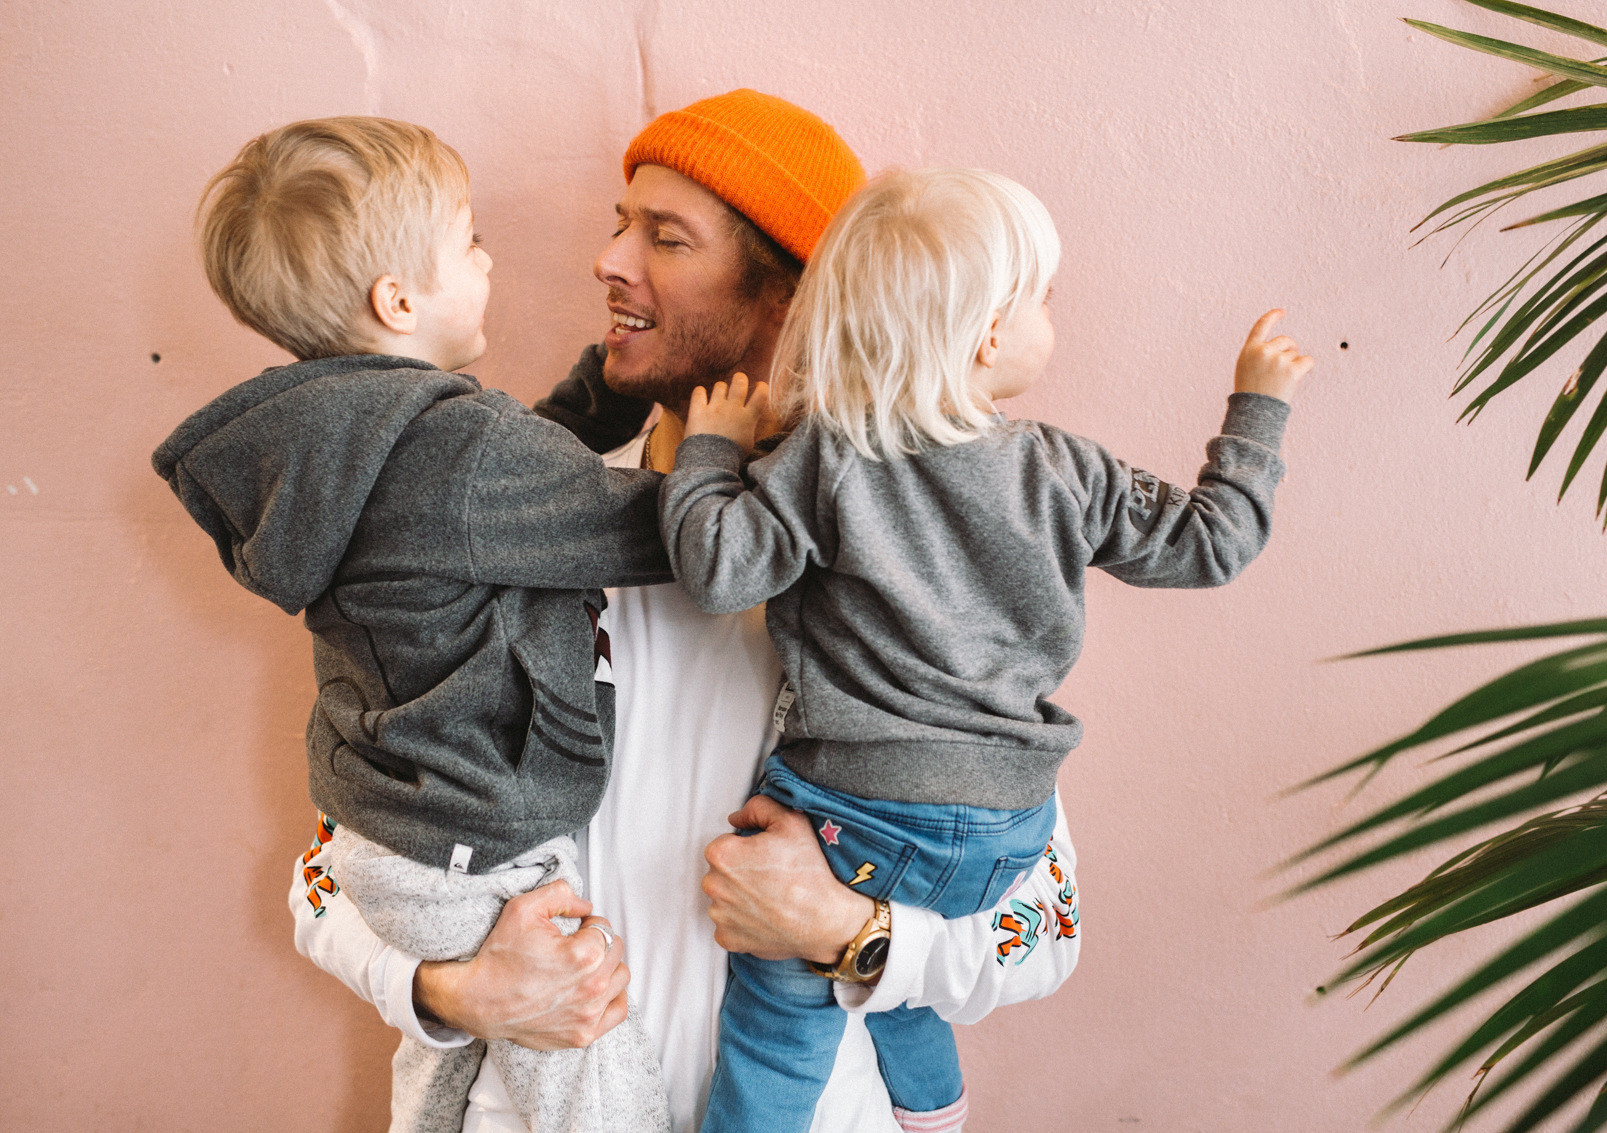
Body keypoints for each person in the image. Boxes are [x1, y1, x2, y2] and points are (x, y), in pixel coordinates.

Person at [289, 91, 1085, 1133]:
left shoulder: (919, 566)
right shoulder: (495, 527)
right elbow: (331, 870)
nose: (608, 260)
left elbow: (1045, 923)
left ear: (796, 295)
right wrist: (454, 989)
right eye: (621, 224)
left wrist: (849, 929)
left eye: (665, 237)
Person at [660, 167, 1311, 1131]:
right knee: (902, 965)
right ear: (989, 337)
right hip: (1008, 829)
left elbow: (718, 569)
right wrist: (1256, 412)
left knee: (778, 1017)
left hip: (852, 819)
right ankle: (934, 1109)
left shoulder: (827, 456)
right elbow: (1212, 543)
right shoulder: (1067, 469)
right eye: (1043, 297)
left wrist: (712, 451)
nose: (1053, 316)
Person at [153, 116, 678, 1132]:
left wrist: (601, 397)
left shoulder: (341, 445)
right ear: (398, 299)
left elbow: (494, 504)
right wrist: (722, 459)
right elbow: (646, 530)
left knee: (450, 1074)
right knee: (594, 1077)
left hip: (390, 843)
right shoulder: (458, 451)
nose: (490, 259)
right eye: (470, 240)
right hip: (475, 852)